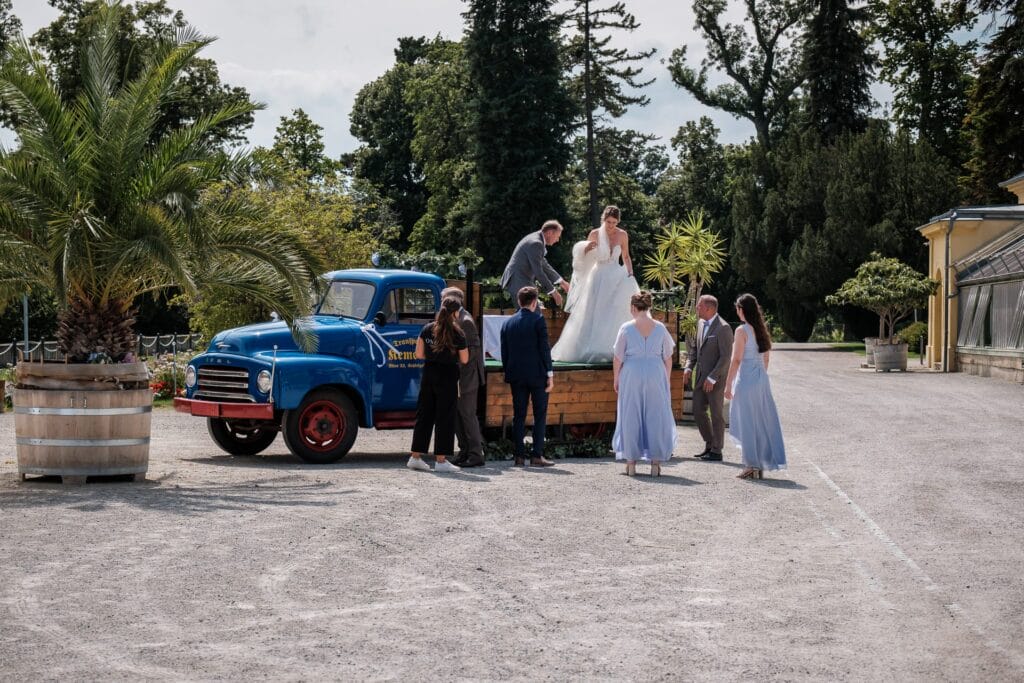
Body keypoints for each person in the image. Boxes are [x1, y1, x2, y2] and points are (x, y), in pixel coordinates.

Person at [551, 205, 639, 363]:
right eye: (608, 221)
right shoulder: (595, 234)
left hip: (616, 275)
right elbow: (583, 259)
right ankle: (591, 348)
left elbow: (626, 257)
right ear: (603, 219)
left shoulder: (623, 235)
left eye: (614, 222)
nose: (611, 225)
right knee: (595, 311)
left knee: (615, 310)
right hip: (598, 276)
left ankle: (614, 349)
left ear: (618, 221)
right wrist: (585, 250)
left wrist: (630, 273)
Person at [612, 291, 678, 476]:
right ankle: (655, 463)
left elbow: (618, 357)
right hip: (656, 372)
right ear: (649, 306)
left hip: (632, 372)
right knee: (655, 414)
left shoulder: (626, 327)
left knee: (631, 413)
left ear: (633, 307)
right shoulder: (660, 328)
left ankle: (631, 462)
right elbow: (668, 357)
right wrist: (666, 377)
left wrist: (616, 378)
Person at [724, 293, 786, 479]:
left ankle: (751, 463)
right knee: (761, 421)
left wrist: (728, 385)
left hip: (747, 379)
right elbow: (766, 358)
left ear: (741, 310)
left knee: (747, 421)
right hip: (761, 380)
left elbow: (736, 360)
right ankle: (759, 462)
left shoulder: (742, 331)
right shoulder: (761, 329)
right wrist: (760, 375)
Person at [407, 297, 469, 473]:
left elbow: (419, 354)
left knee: (424, 415)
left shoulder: (427, 329)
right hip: (448, 377)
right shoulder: (458, 333)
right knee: (445, 417)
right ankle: (441, 460)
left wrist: (434, 357)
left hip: (429, 374)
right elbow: (464, 359)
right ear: (456, 313)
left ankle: (415, 456)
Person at [499, 287, 556, 467]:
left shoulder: (508, 323)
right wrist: (550, 374)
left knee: (519, 416)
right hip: (537, 375)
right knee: (540, 414)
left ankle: (519, 456)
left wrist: (509, 371)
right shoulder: (538, 320)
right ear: (534, 302)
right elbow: (544, 348)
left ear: (519, 301)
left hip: (516, 375)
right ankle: (536, 455)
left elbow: (504, 352)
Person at [683, 294, 734, 462]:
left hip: (715, 381)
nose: (696, 309)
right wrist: (689, 366)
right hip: (699, 379)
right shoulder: (700, 323)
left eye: (699, 306)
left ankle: (717, 451)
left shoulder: (724, 328)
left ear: (709, 309)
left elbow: (726, 357)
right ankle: (710, 443)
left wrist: (712, 378)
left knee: (717, 415)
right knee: (698, 411)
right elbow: (695, 350)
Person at [441, 286, 486, 468]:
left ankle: (476, 454)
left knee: (468, 415)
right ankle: (464, 451)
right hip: (461, 377)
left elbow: (471, 355)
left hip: (467, 378)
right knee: (459, 416)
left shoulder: (465, 321)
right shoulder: (458, 318)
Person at [501, 220, 571, 308]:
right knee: (532, 315)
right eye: (557, 236)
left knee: (530, 315)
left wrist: (562, 282)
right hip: (518, 280)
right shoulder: (536, 243)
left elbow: (544, 264)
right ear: (549, 233)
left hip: (521, 280)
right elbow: (538, 272)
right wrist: (554, 292)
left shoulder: (537, 240)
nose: (557, 240)